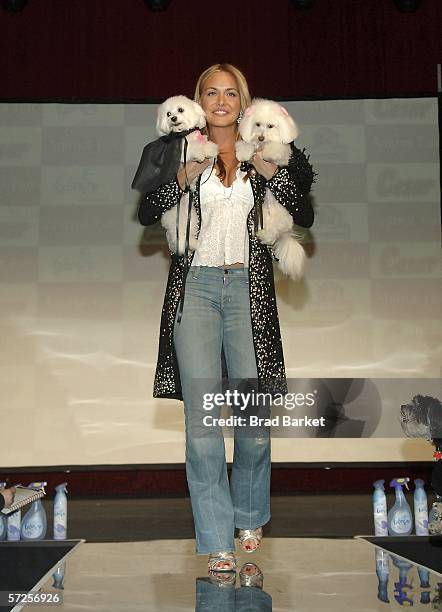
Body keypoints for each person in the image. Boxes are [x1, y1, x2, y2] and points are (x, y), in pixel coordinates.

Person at [138, 63, 315, 573]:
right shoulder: (178, 147)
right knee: (203, 426)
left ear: (244, 100)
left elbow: (304, 213)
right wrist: (180, 181)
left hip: (246, 289)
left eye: (229, 93)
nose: (220, 101)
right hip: (195, 289)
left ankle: (249, 516)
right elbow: (148, 211)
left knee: (253, 422)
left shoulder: (268, 143)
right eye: (210, 93)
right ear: (198, 99)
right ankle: (217, 540)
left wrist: (274, 175)